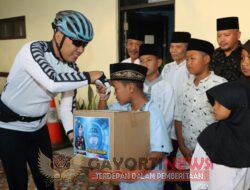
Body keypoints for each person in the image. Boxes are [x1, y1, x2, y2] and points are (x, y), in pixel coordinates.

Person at [0, 10, 110, 190]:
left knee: (47, 182)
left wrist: (73, 136)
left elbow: (66, 108)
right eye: (77, 42)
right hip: (10, 129)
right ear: (59, 35)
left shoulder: (72, 68)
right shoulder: (33, 50)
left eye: (85, 45)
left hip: (38, 129)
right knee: (18, 184)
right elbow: (52, 82)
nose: (81, 50)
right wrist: (91, 76)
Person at [97, 63, 172, 190]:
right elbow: (103, 117)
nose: (115, 93)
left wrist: (135, 174)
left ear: (131, 88)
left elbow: (158, 153)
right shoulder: (123, 108)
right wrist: (103, 98)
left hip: (146, 183)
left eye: (116, 88)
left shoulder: (153, 113)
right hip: (126, 182)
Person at [174, 38, 227, 190]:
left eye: (192, 58)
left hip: (210, 154)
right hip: (185, 153)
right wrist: (182, 146)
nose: (188, 62)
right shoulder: (185, 85)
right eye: (187, 59)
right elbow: (178, 117)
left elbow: (224, 122)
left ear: (206, 59)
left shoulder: (220, 84)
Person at [191, 82, 250, 190]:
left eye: (219, 103)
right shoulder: (210, 135)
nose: (214, 107)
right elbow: (197, 171)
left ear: (234, 103)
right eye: (214, 103)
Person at [160, 31, 191, 190]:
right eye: (171, 46)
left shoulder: (190, 66)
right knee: (169, 164)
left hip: (186, 124)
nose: (173, 50)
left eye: (178, 47)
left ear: (187, 48)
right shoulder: (167, 68)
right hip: (169, 123)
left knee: (186, 166)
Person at [140, 44, 174, 136]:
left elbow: (167, 118)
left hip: (160, 139)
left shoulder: (167, 87)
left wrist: (152, 133)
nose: (144, 64)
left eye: (149, 60)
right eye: (141, 61)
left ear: (158, 62)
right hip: (139, 136)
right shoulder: (138, 86)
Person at [210, 16, 242, 81]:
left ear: (238, 35)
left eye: (227, 35)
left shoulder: (245, 54)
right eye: (219, 36)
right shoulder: (213, 54)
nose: (222, 40)